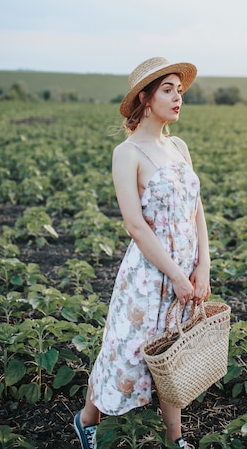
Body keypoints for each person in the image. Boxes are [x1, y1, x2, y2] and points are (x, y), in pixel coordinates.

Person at [74, 57, 211, 449]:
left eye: (179, 90)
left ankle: (176, 439)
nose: (177, 97)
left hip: (185, 270)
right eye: (167, 90)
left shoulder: (179, 146)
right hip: (149, 277)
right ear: (145, 99)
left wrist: (203, 265)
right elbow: (134, 225)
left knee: (172, 356)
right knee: (125, 356)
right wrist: (176, 275)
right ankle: (86, 422)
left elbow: (197, 209)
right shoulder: (127, 153)